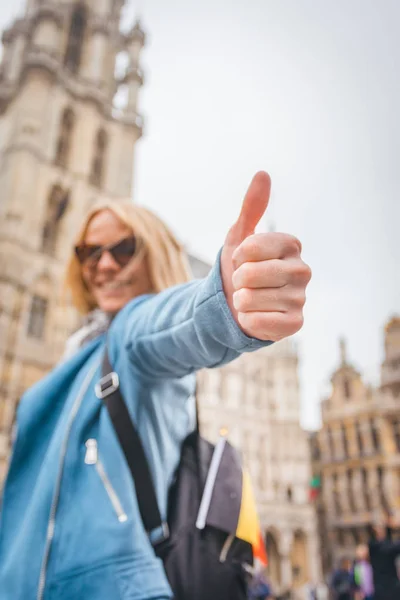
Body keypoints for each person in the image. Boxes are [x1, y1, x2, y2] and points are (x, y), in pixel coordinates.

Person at [0, 172, 311, 600]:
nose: (104, 264)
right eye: (89, 252)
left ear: (155, 257)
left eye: (123, 249)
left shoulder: (131, 337)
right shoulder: (77, 354)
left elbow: (174, 323)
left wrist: (225, 299)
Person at [368, 515, 400, 600]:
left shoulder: (385, 543)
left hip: (392, 587)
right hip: (383, 589)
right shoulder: (374, 545)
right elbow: (391, 548)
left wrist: (390, 526)